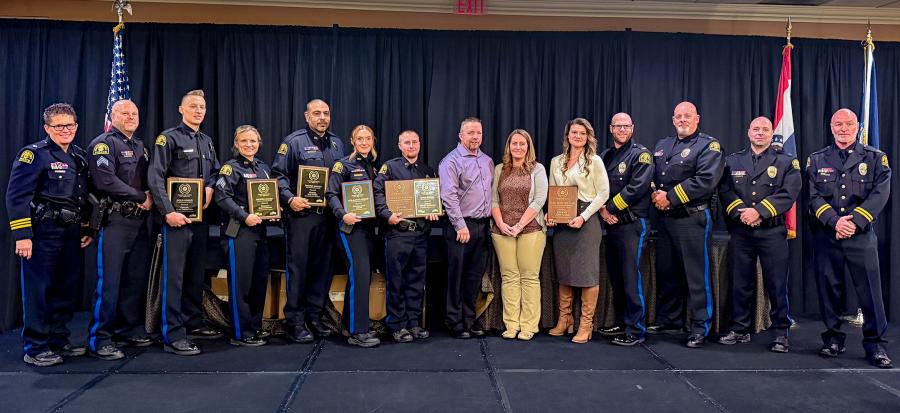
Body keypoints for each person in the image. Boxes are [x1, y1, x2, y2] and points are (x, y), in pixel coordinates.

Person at [7, 103, 92, 367]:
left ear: (76, 126)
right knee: (38, 289)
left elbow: (82, 196)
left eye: (69, 125)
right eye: (58, 126)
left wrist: (87, 227)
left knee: (65, 288)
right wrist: (22, 235)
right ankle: (36, 346)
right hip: (42, 232)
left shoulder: (78, 156)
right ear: (47, 128)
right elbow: (17, 196)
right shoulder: (34, 155)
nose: (65, 130)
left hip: (71, 232)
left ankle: (58, 339)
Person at [807, 108, 892, 368]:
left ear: (858, 127)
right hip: (827, 234)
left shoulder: (876, 158)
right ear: (831, 127)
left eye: (849, 124)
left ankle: (875, 344)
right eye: (838, 124)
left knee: (870, 292)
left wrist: (854, 222)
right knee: (829, 289)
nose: (843, 129)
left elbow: (880, 194)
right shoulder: (817, 159)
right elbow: (812, 196)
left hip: (861, 235)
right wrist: (835, 222)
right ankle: (833, 339)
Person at [148, 89, 222, 356]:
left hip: (199, 219)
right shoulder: (168, 138)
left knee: (194, 274)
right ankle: (173, 334)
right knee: (174, 277)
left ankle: (193, 322)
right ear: (181, 109)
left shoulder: (206, 140)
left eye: (202, 107)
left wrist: (212, 187)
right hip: (176, 220)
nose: (198, 111)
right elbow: (155, 178)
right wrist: (167, 212)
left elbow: (214, 171)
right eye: (192, 106)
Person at [717, 117, 801, 352]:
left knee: (776, 284)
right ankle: (740, 329)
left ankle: (780, 333)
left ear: (771, 133)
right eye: (756, 129)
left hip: (771, 231)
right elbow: (724, 190)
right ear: (748, 132)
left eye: (765, 129)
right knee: (740, 282)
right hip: (742, 231)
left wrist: (759, 212)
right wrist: (741, 213)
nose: (760, 133)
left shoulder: (786, 161)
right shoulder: (733, 161)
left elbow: (789, 192)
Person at [649, 101, 724, 348]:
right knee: (668, 271)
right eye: (678, 116)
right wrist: (656, 195)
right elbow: (654, 177)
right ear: (673, 120)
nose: (683, 120)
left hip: (692, 218)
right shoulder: (663, 145)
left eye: (687, 116)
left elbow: (705, 180)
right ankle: (670, 320)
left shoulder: (708, 146)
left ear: (697, 118)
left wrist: (669, 197)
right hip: (665, 219)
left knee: (696, 275)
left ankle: (700, 326)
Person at [86, 99, 154, 361]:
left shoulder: (140, 145)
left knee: (134, 280)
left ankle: (125, 331)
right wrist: (140, 196)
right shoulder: (104, 144)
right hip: (115, 220)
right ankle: (100, 338)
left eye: (134, 113)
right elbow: (105, 181)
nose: (131, 116)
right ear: (112, 116)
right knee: (110, 283)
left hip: (139, 222)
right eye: (124, 112)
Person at [271, 99, 344, 343]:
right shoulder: (293, 142)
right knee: (299, 268)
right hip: (301, 217)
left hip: (328, 218)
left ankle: (315, 316)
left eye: (326, 113)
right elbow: (278, 176)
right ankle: (294, 320)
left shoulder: (337, 143)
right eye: (316, 113)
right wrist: (290, 199)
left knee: (323, 269)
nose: (322, 117)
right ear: (306, 116)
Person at [547, 118, 609, 344]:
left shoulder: (594, 161)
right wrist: (550, 214)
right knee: (564, 270)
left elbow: (603, 194)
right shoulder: (557, 161)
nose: (578, 136)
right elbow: (554, 191)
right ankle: (565, 320)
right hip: (563, 221)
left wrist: (583, 217)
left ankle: (586, 324)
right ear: (568, 136)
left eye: (582, 133)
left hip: (586, 219)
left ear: (588, 137)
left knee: (587, 273)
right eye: (574, 132)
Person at [372, 130, 438, 343]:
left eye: (415, 142)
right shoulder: (390, 167)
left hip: (420, 234)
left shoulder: (427, 171)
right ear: (399, 145)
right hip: (398, 234)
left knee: (416, 281)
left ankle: (413, 322)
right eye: (407, 142)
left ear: (420, 144)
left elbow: (435, 199)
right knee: (397, 280)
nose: (411, 146)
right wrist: (386, 214)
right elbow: (378, 192)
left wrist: (434, 210)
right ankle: (397, 325)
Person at [214, 125, 274, 347]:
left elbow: (269, 197)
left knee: (258, 281)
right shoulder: (230, 169)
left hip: (260, 231)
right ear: (236, 144)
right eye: (244, 141)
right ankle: (241, 333)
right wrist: (244, 215)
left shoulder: (264, 168)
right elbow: (221, 196)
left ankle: (255, 326)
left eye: (253, 141)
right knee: (241, 284)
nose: (249, 145)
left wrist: (275, 212)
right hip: (239, 230)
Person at [598, 113, 653, 346]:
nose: (622, 129)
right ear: (611, 128)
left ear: (633, 128)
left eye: (626, 126)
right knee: (617, 277)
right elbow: (598, 185)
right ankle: (621, 322)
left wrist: (608, 208)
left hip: (632, 224)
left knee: (631, 277)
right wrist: (603, 211)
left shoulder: (642, 155)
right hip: (611, 226)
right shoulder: (606, 156)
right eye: (617, 126)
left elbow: (636, 189)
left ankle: (636, 329)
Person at [490, 129, 548, 341]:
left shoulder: (537, 169)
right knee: (509, 277)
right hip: (502, 230)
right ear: (509, 146)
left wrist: (520, 225)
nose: (518, 147)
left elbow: (540, 199)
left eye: (522, 144)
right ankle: (511, 324)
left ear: (528, 146)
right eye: (514, 143)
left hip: (531, 229)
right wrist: (501, 223)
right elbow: (493, 200)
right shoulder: (500, 169)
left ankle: (529, 325)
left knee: (529, 277)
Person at [439, 117, 494, 339]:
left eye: (478, 133)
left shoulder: (487, 161)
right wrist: (461, 226)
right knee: (456, 276)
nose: (475, 137)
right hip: (460, 227)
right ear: (460, 136)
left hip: (482, 227)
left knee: (473, 277)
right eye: (470, 132)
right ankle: (454, 321)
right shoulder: (450, 161)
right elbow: (448, 196)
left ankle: (469, 320)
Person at [327, 125, 381, 348]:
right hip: (349, 229)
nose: (364, 142)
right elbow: (330, 194)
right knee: (359, 275)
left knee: (362, 277)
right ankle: (359, 332)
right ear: (352, 141)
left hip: (368, 230)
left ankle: (350, 325)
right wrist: (343, 214)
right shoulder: (343, 165)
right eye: (360, 138)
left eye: (368, 138)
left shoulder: (374, 167)